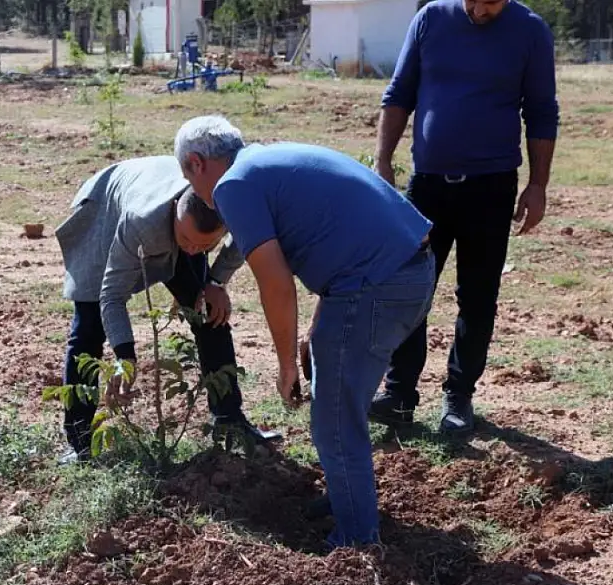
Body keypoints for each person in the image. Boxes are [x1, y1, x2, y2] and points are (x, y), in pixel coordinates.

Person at [173, 115, 435, 548]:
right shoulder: (264, 161)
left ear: (198, 163)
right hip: (406, 268)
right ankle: (346, 497)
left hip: (379, 283)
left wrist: (284, 365)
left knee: (333, 414)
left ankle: (355, 541)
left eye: (187, 176)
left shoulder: (231, 185)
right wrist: (313, 332)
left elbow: (276, 284)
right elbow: (332, 243)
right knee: (336, 394)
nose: (195, 193)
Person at [372, 0, 560, 434]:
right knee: (410, 289)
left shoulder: (530, 31)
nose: (478, 10)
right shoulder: (431, 19)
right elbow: (399, 92)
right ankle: (399, 394)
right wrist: (383, 159)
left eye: (490, 2)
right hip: (427, 185)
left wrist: (538, 184)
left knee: (477, 298)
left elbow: (541, 110)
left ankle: (459, 397)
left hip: (491, 187)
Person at [53, 155, 277, 465]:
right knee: (89, 325)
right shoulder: (139, 222)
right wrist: (125, 356)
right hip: (108, 206)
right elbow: (112, 295)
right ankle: (79, 442)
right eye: (186, 240)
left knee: (207, 311)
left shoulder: (226, 206)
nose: (191, 250)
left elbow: (243, 240)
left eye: (203, 246)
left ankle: (230, 422)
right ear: (175, 213)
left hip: (171, 216)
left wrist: (214, 281)